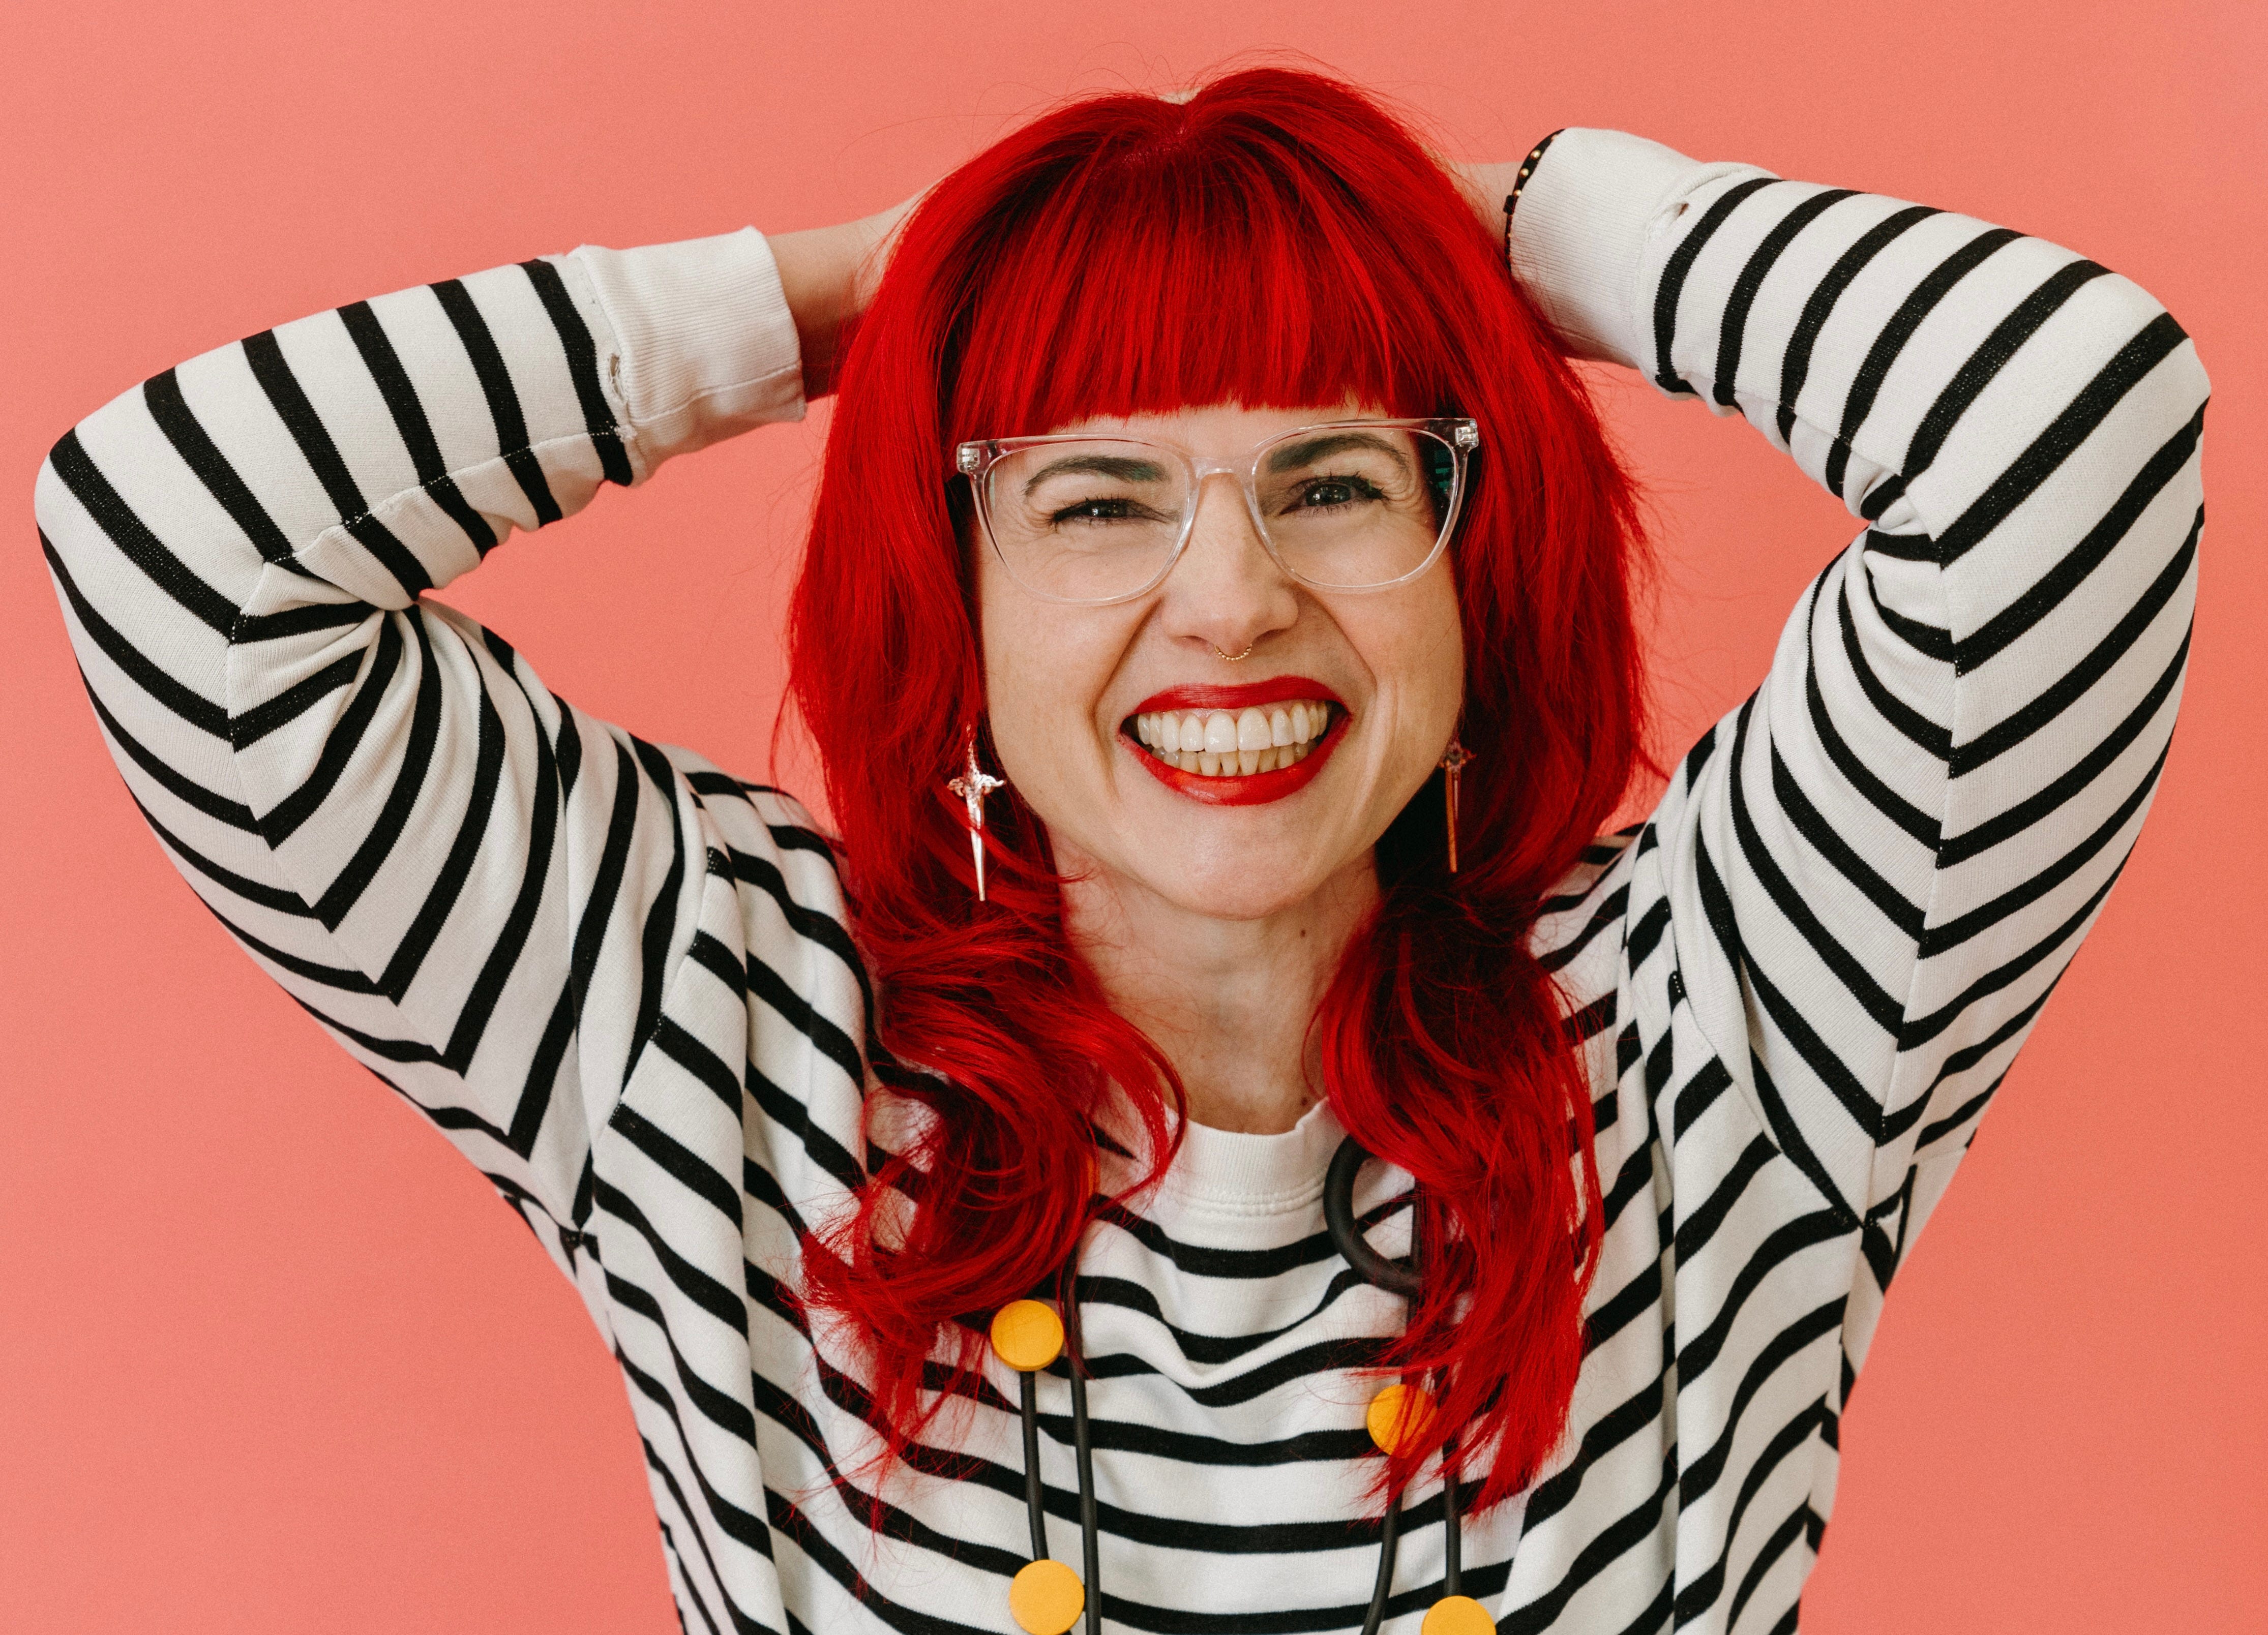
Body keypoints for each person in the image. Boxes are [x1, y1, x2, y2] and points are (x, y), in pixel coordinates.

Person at [34, 66, 2203, 1635]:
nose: (1230, 600)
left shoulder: (1730, 1013)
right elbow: (175, 544)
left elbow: (2070, 412)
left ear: (1472, 565)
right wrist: (883, 300)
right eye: (1093, 499)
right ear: (952, 600)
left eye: (1333, 481)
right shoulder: (712, 1016)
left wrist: (1467, 233)